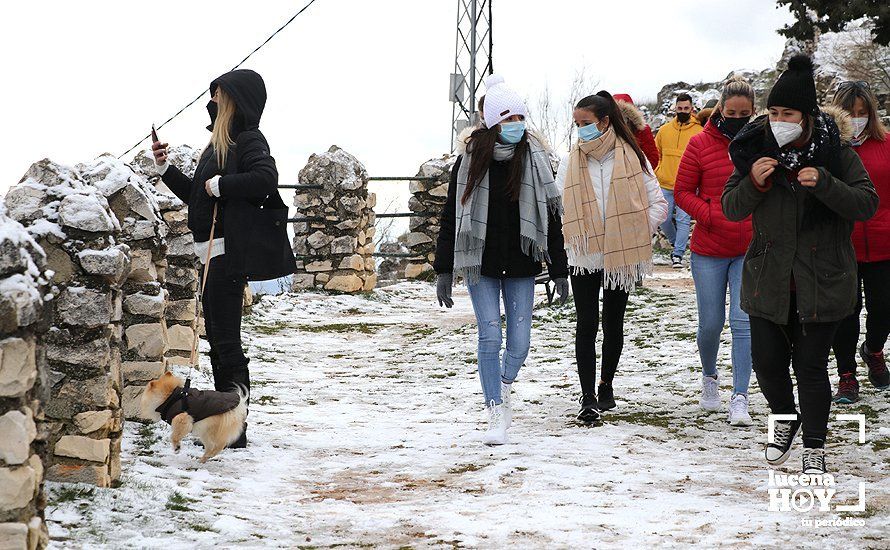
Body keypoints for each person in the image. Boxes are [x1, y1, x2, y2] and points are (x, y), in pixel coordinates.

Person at [722, 55, 878, 474]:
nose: (777, 121)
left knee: (810, 368)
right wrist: (753, 182)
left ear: (805, 115)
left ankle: (814, 445)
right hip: (767, 280)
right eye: (772, 112)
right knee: (768, 365)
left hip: (822, 280)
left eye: (786, 113)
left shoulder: (837, 153)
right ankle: (785, 420)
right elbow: (730, 207)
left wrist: (825, 183)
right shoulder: (754, 149)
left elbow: (867, 203)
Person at [151, 69, 296, 448]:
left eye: (217, 95)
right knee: (217, 338)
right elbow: (199, 197)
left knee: (227, 342)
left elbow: (266, 177)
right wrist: (165, 170)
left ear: (234, 99)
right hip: (211, 255)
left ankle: (235, 429)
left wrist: (223, 184)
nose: (210, 101)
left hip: (227, 256)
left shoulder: (248, 139)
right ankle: (225, 425)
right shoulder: (219, 144)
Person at [434, 74, 570, 446]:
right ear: (493, 122)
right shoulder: (469, 162)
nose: (517, 126)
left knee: (521, 342)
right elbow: (450, 216)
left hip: (522, 262)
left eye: (520, 119)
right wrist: (443, 269)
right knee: (490, 334)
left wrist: (560, 269)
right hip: (482, 262)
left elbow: (551, 216)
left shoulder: (535, 159)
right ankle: (495, 409)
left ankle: (503, 383)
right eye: (509, 120)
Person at [556, 91, 668, 423]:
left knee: (614, 322)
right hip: (585, 256)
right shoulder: (570, 161)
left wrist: (634, 231)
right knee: (586, 323)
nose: (581, 130)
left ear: (605, 122)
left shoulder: (634, 157)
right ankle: (587, 397)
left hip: (621, 257)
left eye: (586, 123)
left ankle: (607, 386)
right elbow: (559, 208)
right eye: (576, 124)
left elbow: (658, 204)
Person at [675, 76, 756, 425]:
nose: (737, 118)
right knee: (711, 323)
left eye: (745, 113)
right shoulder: (699, 144)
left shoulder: (762, 142)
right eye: (732, 111)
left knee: (743, 322)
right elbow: (681, 191)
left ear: (752, 113)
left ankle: (740, 396)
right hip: (708, 248)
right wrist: (709, 213)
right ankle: (710, 377)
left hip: (749, 247)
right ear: (721, 107)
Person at [830, 81, 890, 403]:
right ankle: (846, 376)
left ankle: (874, 349)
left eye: (862, 113)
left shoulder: (887, 144)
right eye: (850, 113)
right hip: (843, 245)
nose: (856, 119)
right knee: (846, 312)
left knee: (884, 307)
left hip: (885, 243)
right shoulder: (830, 150)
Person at [655, 93, 703, 268]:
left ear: (692, 109)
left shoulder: (699, 131)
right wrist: (657, 170)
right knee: (664, 218)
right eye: (680, 108)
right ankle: (677, 243)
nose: (683, 111)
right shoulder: (664, 130)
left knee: (683, 219)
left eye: (686, 108)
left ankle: (678, 254)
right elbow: (656, 154)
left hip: (687, 184)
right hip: (665, 183)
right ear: (675, 108)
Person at [613, 94, 660, 169]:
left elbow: (652, 158)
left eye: (622, 114)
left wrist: (638, 173)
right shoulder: (609, 130)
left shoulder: (642, 130)